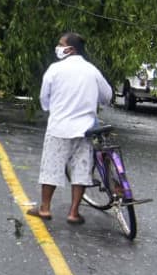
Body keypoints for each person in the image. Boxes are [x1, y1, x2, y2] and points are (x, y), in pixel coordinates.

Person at [28, 32, 112, 225]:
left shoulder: (55, 69)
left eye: (61, 44)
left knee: (51, 167)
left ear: (70, 49)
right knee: (81, 171)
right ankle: (73, 212)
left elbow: (44, 98)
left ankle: (45, 208)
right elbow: (107, 96)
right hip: (85, 130)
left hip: (59, 127)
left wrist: (52, 110)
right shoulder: (92, 70)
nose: (58, 47)